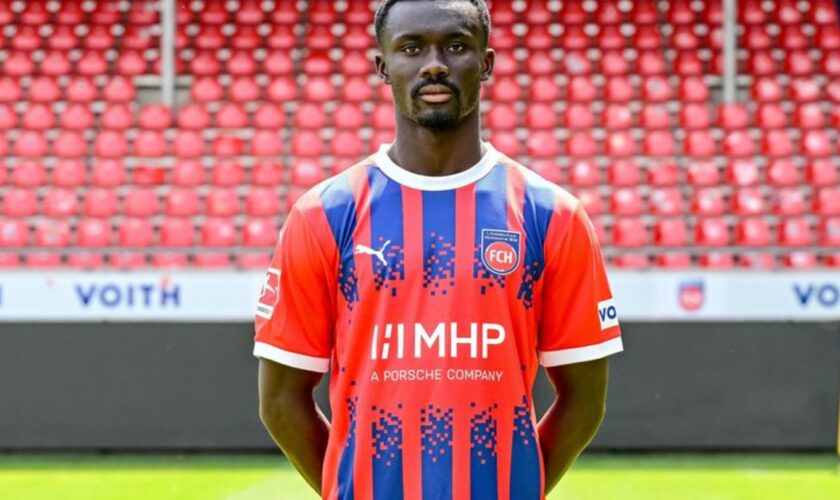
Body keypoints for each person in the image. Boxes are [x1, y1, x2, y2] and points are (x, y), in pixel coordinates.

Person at [254, 1, 623, 498]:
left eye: (455, 46)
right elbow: (280, 401)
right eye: (411, 48)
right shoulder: (323, 214)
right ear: (383, 67)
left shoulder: (552, 214)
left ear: (486, 63)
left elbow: (584, 401)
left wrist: (518, 488)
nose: (433, 64)